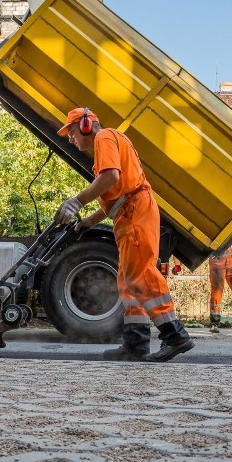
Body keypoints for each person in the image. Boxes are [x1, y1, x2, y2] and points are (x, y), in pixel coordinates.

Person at [53, 107, 194, 362]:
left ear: (86, 125)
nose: (71, 140)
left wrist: (77, 201)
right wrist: (89, 221)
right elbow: (111, 197)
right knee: (128, 280)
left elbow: (111, 177)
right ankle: (136, 343)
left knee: (140, 275)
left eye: (72, 132)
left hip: (135, 210)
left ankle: (175, 336)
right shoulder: (104, 147)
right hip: (128, 212)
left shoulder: (104, 137)